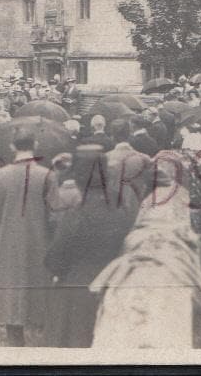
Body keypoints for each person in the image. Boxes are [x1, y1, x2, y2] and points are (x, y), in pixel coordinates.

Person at [90, 156, 201, 349]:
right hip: (169, 253)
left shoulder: (146, 201)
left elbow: (134, 231)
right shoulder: (181, 197)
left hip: (144, 253)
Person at [44, 146, 136, 347]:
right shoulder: (120, 204)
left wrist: (59, 270)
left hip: (80, 290)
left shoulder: (78, 212)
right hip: (116, 282)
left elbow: (56, 255)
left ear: (80, 176)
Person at [0, 130, 57, 346]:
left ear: (12, 147)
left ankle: (15, 340)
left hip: (8, 239)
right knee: (38, 285)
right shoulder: (47, 175)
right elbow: (55, 215)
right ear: (35, 144)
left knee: (11, 288)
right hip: (40, 240)